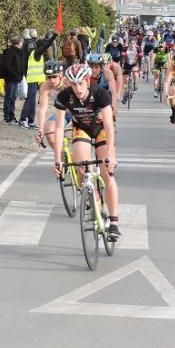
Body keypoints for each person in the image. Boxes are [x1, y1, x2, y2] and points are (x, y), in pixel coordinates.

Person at [52, 64, 120, 240]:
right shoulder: (64, 96)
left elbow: (109, 126)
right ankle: (92, 196)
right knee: (81, 168)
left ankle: (114, 221)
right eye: (74, 85)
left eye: (81, 84)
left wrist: (110, 155)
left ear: (87, 81)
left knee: (107, 173)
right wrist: (57, 158)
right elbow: (59, 128)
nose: (78, 89)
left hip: (101, 129)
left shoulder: (99, 94)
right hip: (81, 128)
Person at [33, 60, 67, 150]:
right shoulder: (45, 86)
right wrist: (40, 129)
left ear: (61, 75)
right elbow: (42, 110)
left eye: (54, 77)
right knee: (48, 130)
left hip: (77, 112)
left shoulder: (68, 83)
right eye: (48, 77)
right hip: (62, 114)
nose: (51, 80)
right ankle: (61, 155)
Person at [0, 36, 26, 125]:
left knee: (13, 97)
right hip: (10, 78)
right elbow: (7, 65)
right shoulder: (10, 51)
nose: (22, 44)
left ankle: (12, 115)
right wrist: (15, 74)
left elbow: (21, 64)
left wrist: (21, 75)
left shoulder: (20, 52)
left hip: (17, 78)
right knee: (9, 97)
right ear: (18, 43)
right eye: (22, 42)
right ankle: (7, 116)